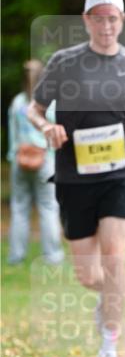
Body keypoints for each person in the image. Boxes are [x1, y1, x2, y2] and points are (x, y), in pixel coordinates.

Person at [28, 0, 125, 357]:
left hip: (120, 171)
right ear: (87, 20)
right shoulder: (63, 62)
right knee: (90, 275)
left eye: (113, 18)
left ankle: (109, 346)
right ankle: (109, 299)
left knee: (115, 257)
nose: (106, 24)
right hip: (74, 174)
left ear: (122, 22)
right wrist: (47, 127)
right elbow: (34, 109)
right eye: (99, 17)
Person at [7, 59, 64, 265]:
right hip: (45, 160)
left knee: (20, 208)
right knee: (48, 206)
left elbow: (14, 137)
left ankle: (16, 256)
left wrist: (14, 156)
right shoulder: (51, 104)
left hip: (20, 160)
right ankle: (53, 256)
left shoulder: (17, 103)